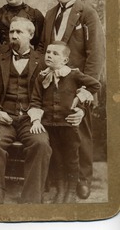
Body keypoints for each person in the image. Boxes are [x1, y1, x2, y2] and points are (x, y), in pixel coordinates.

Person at [38, 0, 106, 199]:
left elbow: (95, 54)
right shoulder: (49, 15)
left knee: (81, 131)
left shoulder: (87, 14)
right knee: (57, 132)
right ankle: (60, 180)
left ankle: (83, 179)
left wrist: (86, 90)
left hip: (78, 84)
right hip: (53, 85)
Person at [0, 16, 52, 204]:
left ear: (31, 35)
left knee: (41, 144)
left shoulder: (43, 61)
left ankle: (31, 202)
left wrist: (37, 116)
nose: (13, 36)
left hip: (31, 120)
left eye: (18, 32)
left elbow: (49, 95)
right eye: (11, 31)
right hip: (5, 119)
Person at [29, 41, 100, 203]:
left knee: (72, 157)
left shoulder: (73, 75)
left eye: (55, 54)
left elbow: (94, 85)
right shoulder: (42, 77)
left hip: (68, 125)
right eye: (48, 52)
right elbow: (35, 100)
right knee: (57, 157)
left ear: (65, 60)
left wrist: (80, 96)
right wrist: (36, 120)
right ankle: (60, 189)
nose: (49, 56)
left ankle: (70, 191)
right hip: (50, 125)